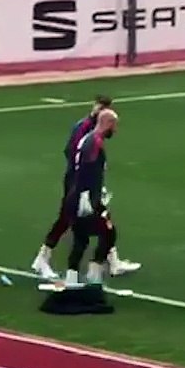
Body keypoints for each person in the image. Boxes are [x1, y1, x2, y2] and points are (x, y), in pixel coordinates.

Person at [31, 96, 138, 280]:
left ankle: (110, 263)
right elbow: (73, 153)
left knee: (100, 221)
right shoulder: (85, 129)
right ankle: (44, 258)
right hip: (78, 183)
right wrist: (84, 188)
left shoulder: (92, 131)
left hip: (85, 184)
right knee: (70, 220)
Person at [63, 109, 120, 285]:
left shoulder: (88, 140)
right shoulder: (94, 142)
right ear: (108, 123)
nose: (115, 130)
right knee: (109, 232)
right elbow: (86, 171)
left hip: (78, 195)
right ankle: (94, 272)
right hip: (85, 198)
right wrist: (89, 197)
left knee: (81, 238)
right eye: (114, 125)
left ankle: (72, 278)